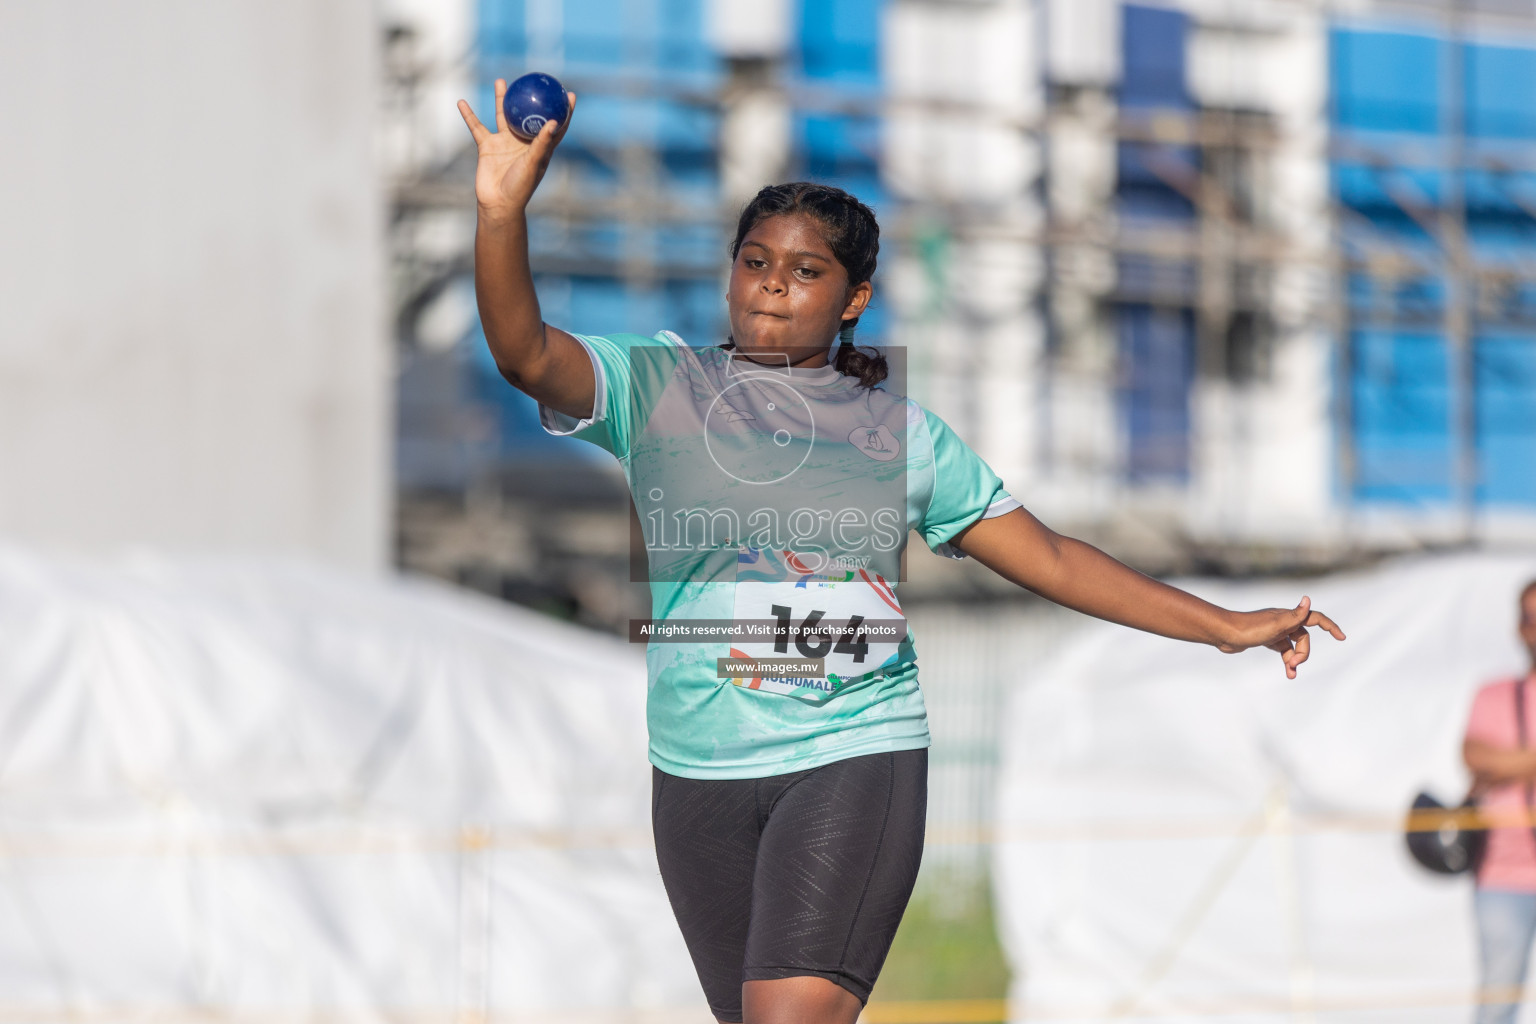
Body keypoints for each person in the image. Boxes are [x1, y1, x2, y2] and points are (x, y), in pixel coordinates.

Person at [457, 80, 1347, 1024]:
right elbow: (522, 354)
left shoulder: (903, 437)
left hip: (851, 753)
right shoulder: (659, 387)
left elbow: (1049, 557)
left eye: (805, 271)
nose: (772, 283)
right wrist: (501, 214)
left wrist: (1222, 626)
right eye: (755, 262)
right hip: (696, 772)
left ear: (856, 299)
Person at [1464, 580, 1536, 1024]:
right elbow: (1473, 758)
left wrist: (1509, 762)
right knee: (1497, 1007)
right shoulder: (1492, 694)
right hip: (1502, 873)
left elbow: (1490, 761)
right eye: (1529, 618)